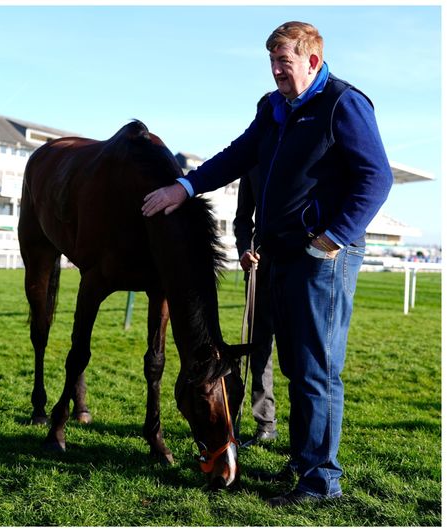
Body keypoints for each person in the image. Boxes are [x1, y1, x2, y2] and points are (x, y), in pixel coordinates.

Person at [142, 21, 392, 507]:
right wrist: (185, 187)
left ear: (312, 61)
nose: (277, 70)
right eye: (272, 62)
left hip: (323, 255)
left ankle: (321, 482)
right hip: (278, 252)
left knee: (317, 369)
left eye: (285, 61)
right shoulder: (273, 107)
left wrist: (334, 235)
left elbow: (376, 177)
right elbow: (238, 155)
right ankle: (303, 462)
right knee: (296, 366)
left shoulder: (342, 103)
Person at [233, 175, 277, 447]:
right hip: (259, 269)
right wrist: (244, 250)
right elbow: (242, 219)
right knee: (259, 348)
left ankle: (306, 434)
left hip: (299, 266)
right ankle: (266, 424)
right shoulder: (253, 161)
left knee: (300, 355)